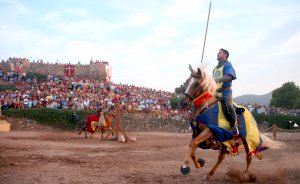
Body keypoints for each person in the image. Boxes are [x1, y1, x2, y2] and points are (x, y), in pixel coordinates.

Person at [213, 48, 238, 135]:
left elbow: (229, 76)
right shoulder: (215, 68)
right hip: (215, 93)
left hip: (225, 92)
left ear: (225, 55)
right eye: (218, 52)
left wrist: (217, 80)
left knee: (228, 106)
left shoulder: (228, 65)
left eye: (220, 53)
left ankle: (234, 126)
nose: (218, 54)